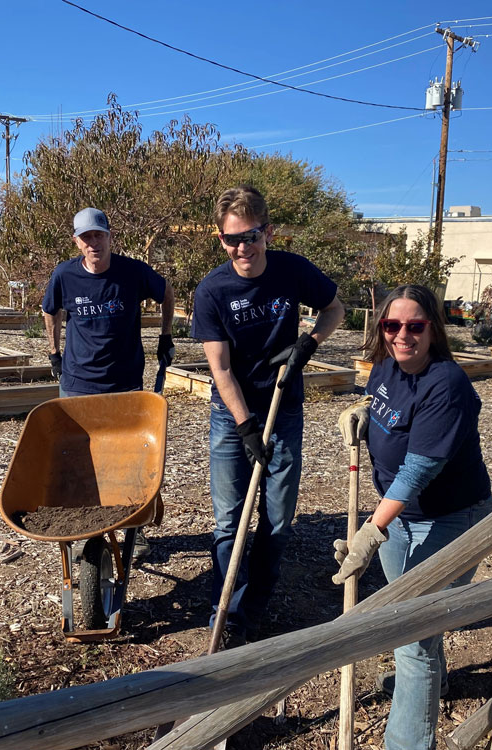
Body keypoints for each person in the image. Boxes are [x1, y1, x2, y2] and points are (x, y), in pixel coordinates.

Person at [333, 284, 492, 750]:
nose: (402, 335)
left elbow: (418, 471)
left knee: (412, 637)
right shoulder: (386, 367)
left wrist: (371, 530)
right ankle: (430, 685)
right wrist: (361, 412)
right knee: (416, 622)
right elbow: (377, 400)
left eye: (415, 326)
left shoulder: (447, 386)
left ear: (433, 329)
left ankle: (407, 743)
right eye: (391, 325)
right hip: (401, 516)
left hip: (447, 519)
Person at [192, 185, 344, 648]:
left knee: (276, 521)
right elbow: (219, 368)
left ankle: (254, 605)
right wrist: (244, 426)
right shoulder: (213, 290)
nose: (242, 248)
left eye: (250, 236)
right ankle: (230, 614)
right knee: (228, 521)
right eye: (231, 239)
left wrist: (308, 344)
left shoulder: (292, 271)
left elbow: (334, 309)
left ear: (267, 231)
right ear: (220, 239)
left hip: (285, 409)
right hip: (232, 414)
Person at [41, 207, 175, 397]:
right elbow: (50, 310)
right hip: (78, 382)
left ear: (110, 237)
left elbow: (166, 291)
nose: (93, 243)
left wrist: (165, 337)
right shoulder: (64, 275)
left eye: (99, 235)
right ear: (76, 242)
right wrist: (54, 353)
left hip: (125, 382)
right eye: (86, 237)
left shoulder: (133, 272)